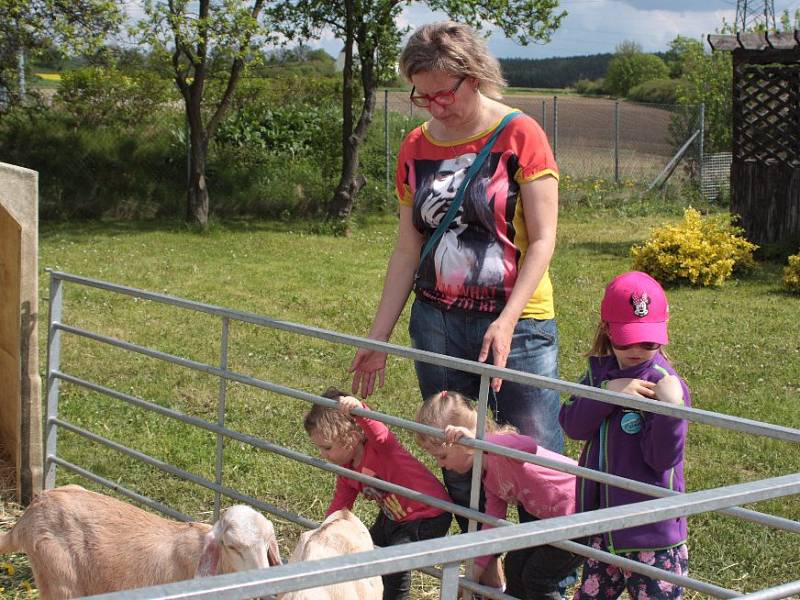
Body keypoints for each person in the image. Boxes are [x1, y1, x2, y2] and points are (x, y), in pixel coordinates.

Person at [349, 19, 563, 524]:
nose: (436, 106)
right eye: (423, 97)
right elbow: (407, 249)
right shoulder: (415, 146)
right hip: (438, 324)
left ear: (475, 76)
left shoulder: (519, 134)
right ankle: (483, 564)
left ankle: (542, 576)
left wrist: (508, 321)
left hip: (519, 326)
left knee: (537, 458)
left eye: (444, 93)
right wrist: (377, 339)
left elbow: (544, 241)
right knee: (457, 452)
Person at [559, 271, 690, 600]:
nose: (636, 350)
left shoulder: (664, 385)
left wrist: (670, 410)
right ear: (607, 329)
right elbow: (572, 426)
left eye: (648, 341)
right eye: (626, 339)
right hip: (603, 528)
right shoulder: (597, 374)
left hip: (652, 535)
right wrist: (606, 394)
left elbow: (662, 459)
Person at [416, 390, 583, 599]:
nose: (441, 464)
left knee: (537, 579)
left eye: (442, 456)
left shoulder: (503, 448)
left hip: (580, 514)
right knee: (515, 565)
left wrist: (479, 441)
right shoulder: (489, 478)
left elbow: (528, 445)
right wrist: (472, 576)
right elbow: (491, 524)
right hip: (554, 523)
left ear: (464, 441)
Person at [303, 387, 453, 600]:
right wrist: (324, 531)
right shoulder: (347, 471)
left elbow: (379, 433)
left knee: (392, 563)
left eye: (327, 447)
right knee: (365, 552)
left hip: (428, 515)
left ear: (352, 437)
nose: (322, 454)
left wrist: (359, 410)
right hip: (393, 517)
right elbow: (340, 505)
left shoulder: (381, 449)